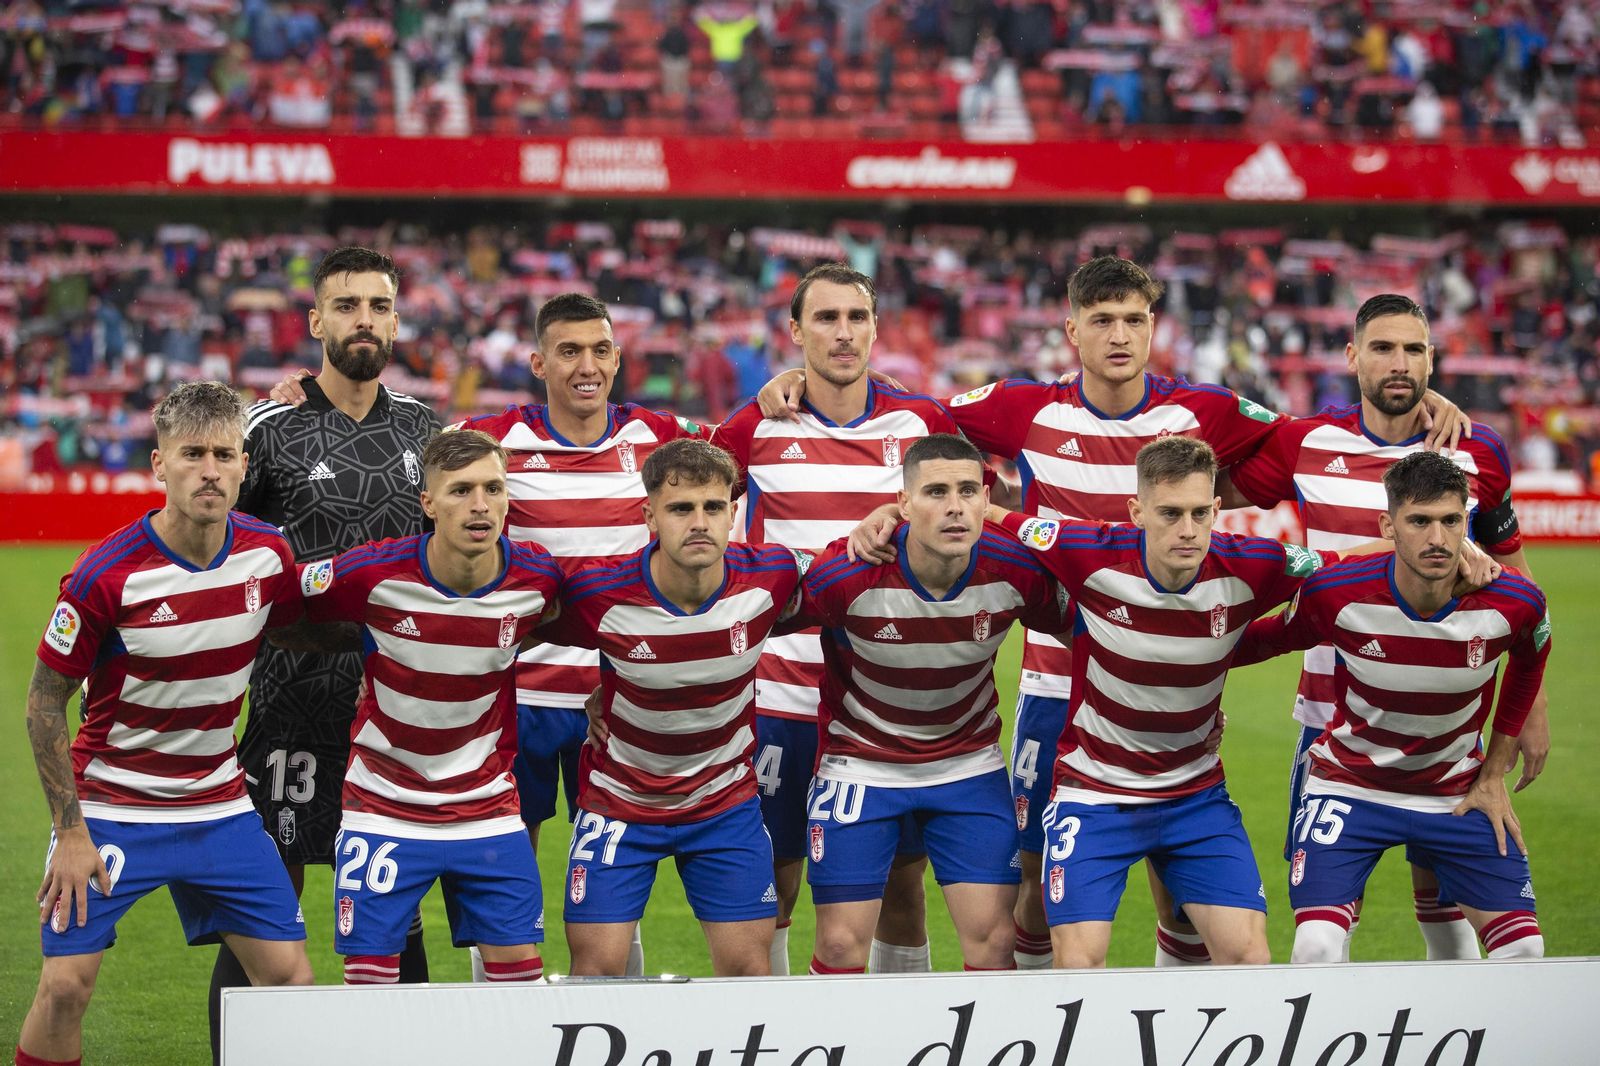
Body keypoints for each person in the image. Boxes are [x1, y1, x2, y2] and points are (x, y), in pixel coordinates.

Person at [783, 257, 1470, 969]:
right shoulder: (1023, 408)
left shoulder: (1202, 411)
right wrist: (809, 384)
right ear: (1072, 329)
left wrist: (1423, 412)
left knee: (1178, 885)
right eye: (1102, 321)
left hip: (1165, 679)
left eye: (1134, 320)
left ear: (1154, 328)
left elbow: (1301, 439)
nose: (1119, 336)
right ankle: (1043, 1025)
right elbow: (921, 425)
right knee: (1030, 881)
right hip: (1057, 686)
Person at [987, 435, 1394, 969]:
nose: (1187, 530)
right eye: (1170, 513)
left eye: (1201, 513)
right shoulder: (1086, 549)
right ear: (1137, 511)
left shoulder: (1255, 565)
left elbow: (1340, 562)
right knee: (1078, 964)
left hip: (1195, 797)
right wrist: (887, 516)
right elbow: (988, 514)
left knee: (1250, 959)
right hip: (1094, 793)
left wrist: (1452, 551)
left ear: (1217, 510)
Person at [1221, 292, 1544, 961]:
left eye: (1413, 349)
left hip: (1443, 720)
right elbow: (1208, 488)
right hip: (1331, 718)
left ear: (1432, 358)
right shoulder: (1306, 442)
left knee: (1446, 908)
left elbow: (1514, 577)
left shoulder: (1478, 449)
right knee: (1331, 916)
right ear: (1352, 357)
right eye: (1382, 348)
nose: (1398, 364)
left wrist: (1531, 705)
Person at [17, 383, 313, 1066]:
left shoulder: (268, 556)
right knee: (65, 987)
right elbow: (42, 701)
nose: (210, 470)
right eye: (192, 455)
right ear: (159, 464)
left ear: (244, 465)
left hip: (218, 806)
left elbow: (304, 628)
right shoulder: (105, 575)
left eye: (223, 454)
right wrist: (69, 831)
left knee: (292, 982)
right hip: (114, 806)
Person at [452, 292, 715, 979]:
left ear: (619, 359)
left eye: (600, 350)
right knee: (506, 860)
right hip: (521, 697)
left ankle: (610, 1028)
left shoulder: (659, 435)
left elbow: (746, 441)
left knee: (614, 877)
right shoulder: (493, 439)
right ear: (539, 361)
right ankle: (501, 1026)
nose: (586, 365)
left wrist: (790, 387)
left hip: (619, 699)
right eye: (569, 351)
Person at [712, 263, 965, 975]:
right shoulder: (754, 426)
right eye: (825, 318)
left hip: (892, 701)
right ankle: (781, 1039)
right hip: (784, 697)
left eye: (857, 316)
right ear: (794, 332)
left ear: (877, 327)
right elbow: (685, 502)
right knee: (776, 887)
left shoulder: (921, 423)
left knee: (901, 888)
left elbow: (973, 508)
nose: (843, 332)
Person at [214, 247, 438, 1045]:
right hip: (287, 699)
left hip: (399, 709)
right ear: (316, 321)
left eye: (379, 306)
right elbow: (209, 536)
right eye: (347, 306)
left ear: (397, 320)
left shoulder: (425, 427)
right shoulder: (267, 427)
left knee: (396, 904)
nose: (365, 321)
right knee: (266, 909)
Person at [288, 430, 563, 985]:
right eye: (460, 491)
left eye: (493, 488)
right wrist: (374, 648)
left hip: (486, 805)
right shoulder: (370, 572)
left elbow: (581, 624)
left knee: (520, 983)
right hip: (383, 803)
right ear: (428, 503)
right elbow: (281, 607)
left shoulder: (539, 578)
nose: (480, 505)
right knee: (371, 987)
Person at [791, 434, 1070, 975]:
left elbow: (1094, 637)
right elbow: (748, 620)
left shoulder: (1015, 570)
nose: (954, 506)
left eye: (968, 490)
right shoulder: (849, 574)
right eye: (936, 491)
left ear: (986, 499)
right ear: (903, 503)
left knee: (993, 943)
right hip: (862, 765)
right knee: (843, 947)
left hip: (967, 765)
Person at [542, 439, 800, 976]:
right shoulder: (597, 589)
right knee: (595, 973)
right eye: (681, 508)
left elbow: (856, 586)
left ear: (734, 512)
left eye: (713, 507)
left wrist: (889, 519)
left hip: (722, 802)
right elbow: (499, 620)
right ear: (649, 516)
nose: (699, 522)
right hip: (620, 803)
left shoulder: (771, 575)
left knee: (750, 973)